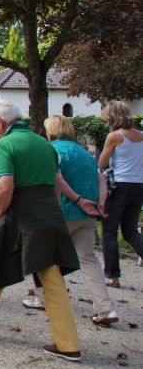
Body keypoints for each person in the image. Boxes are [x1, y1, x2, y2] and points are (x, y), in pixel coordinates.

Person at [0, 101, 81, 362]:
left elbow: (6, 186)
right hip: (48, 214)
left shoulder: (6, 144)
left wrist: (1, 214)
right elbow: (56, 183)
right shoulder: (44, 143)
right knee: (51, 278)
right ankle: (68, 342)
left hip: (22, 213)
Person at [21, 115, 118, 326]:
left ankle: (43, 297)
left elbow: (57, 178)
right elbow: (101, 178)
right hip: (87, 214)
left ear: (51, 132)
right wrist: (101, 202)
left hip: (64, 212)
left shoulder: (53, 150)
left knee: (42, 255)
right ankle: (106, 308)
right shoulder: (84, 153)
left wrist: (77, 199)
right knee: (88, 259)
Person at [97, 100, 143, 288]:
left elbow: (101, 163)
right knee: (130, 231)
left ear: (112, 117)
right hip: (138, 186)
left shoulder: (115, 136)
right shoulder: (141, 135)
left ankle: (112, 276)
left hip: (119, 186)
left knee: (109, 232)